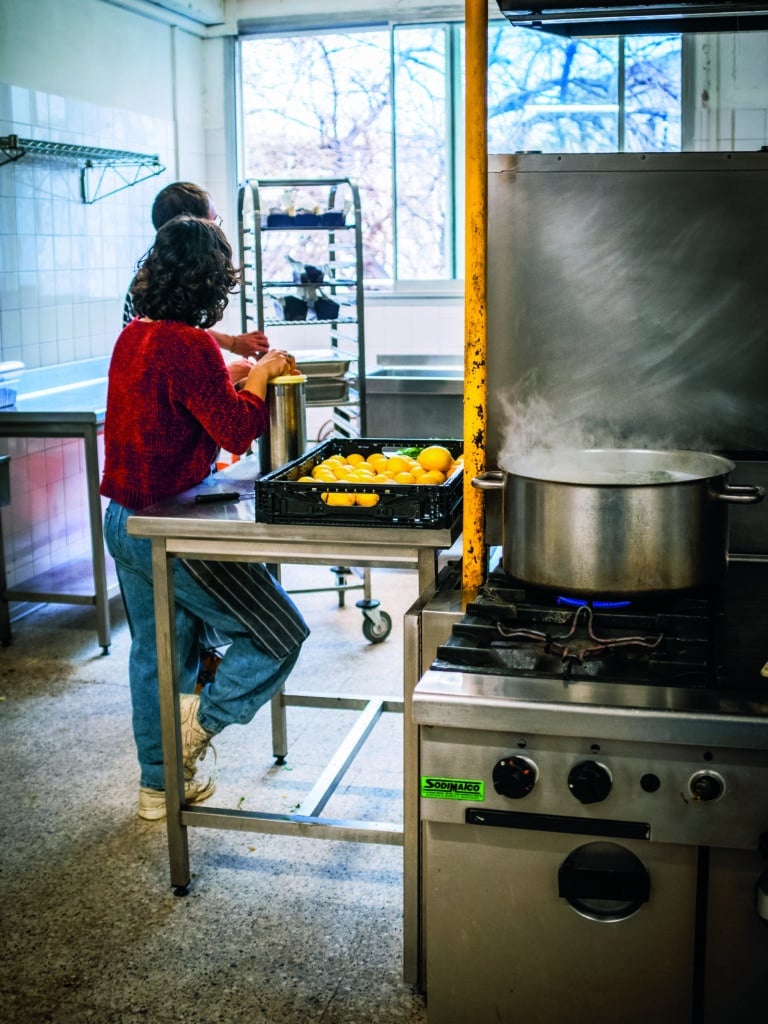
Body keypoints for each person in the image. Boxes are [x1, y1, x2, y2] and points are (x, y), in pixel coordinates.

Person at [101, 215, 310, 821]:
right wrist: (264, 377)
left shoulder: (135, 335)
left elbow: (175, 401)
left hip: (124, 521)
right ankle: (198, 726)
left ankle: (158, 787)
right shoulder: (190, 344)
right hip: (173, 531)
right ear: (210, 281)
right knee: (278, 634)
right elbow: (238, 430)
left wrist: (234, 377)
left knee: (158, 657)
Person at [123, 180, 269, 360]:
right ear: (193, 228)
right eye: (213, 221)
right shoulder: (158, 282)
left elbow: (180, 331)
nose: (216, 230)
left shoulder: (157, 275)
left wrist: (232, 344)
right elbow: (175, 339)